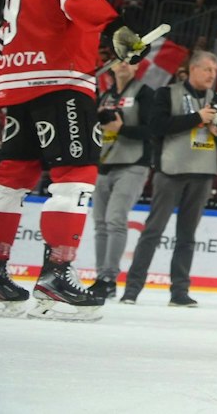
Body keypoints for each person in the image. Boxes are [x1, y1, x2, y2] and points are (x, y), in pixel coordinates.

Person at [0, 0, 149, 320]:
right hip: (61, 80)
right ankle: (56, 280)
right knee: (76, 175)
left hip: (16, 80)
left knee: (10, 179)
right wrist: (117, 28)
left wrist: (12, 75)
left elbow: (0, 39)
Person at [122, 50, 217, 306]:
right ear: (193, 69)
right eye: (207, 69)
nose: (212, 75)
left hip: (203, 171)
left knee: (187, 236)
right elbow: (156, 127)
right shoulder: (167, 93)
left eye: (214, 71)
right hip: (171, 170)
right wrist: (197, 119)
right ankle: (132, 290)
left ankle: (179, 292)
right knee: (153, 231)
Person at [88, 56, 153, 300]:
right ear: (112, 66)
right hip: (105, 163)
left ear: (137, 66)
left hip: (133, 163)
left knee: (115, 219)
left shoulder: (145, 93)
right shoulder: (105, 96)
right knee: (100, 223)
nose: (124, 63)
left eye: (130, 60)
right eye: (119, 60)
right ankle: (100, 276)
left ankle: (108, 277)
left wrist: (121, 129)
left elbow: (152, 130)